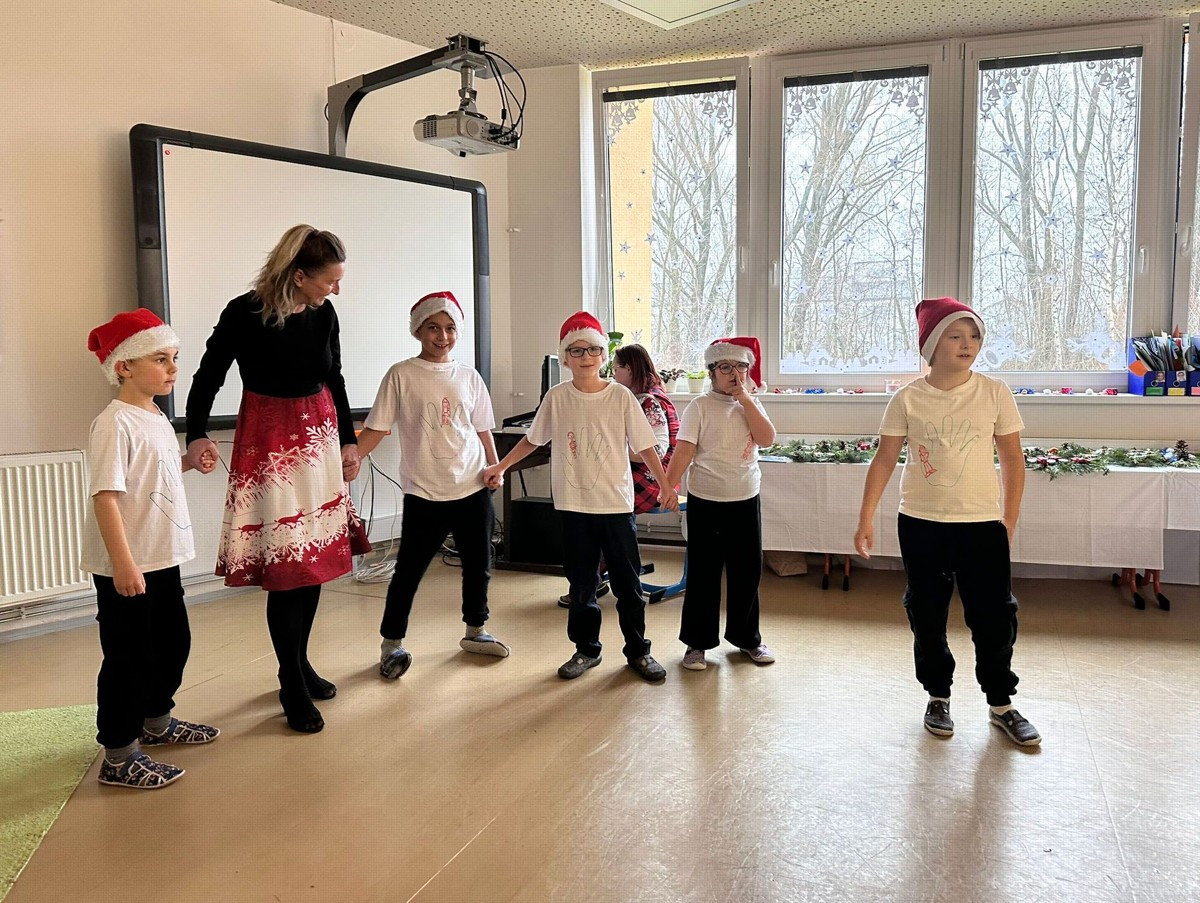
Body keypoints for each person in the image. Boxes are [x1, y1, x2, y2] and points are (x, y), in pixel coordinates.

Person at [184, 225, 370, 735]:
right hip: (270, 446)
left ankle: (300, 662)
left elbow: (335, 377)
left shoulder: (324, 314)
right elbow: (208, 375)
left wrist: (348, 440)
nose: (336, 290)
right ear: (299, 275)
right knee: (288, 566)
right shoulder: (243, 312)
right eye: (330, 281)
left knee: (311, 563)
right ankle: (290, 679)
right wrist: (195, 433)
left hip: (318, 439)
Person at [853, 297, 1039, 747]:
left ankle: (1001, 703)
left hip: (982, 524)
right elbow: (884, 460)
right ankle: (938, 695)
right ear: (931, 345)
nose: (967, 343)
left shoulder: (995, 392)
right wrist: (865, 518)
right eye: (955, 335)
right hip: (922, 524)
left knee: (994, 615)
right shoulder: (907, 398)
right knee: (927, 613)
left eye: (974, 335)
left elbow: (1013, 459)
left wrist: (1008, 520)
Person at [484, 312, 679, 682]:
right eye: (576, 350)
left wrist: (666, 484)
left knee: (627, 584)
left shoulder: (621, 396)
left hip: (615, 505)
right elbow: (533, 439)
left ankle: (639, 651)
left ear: (603, 355)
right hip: (574, 507)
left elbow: (646, 446)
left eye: (592, 349)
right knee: (581, 585)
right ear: (566, 357)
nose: (586, 356)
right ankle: (586, 650)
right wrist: (502, 465)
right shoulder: (557, 398)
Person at [81, 309, 220, 788]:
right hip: (129, 564)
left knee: (171, 644)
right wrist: (123, 565)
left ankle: (156, 723)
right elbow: (106, 497)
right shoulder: (113, 423)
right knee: (129, 658)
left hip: (162, 557)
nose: (173, 368)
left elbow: (149, 474)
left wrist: (188, 462)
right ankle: (119, 755)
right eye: (160, 359)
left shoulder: (155, 416)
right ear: (124, 366)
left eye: (174, 357)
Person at [356, 291, 509, 679]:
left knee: (478, 565)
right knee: (409, 571)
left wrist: (494, 466)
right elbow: (377, 427)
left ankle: (476, 630)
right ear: (418, 331)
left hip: (472, 485)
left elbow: (482, 428)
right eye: (433, 328)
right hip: (423, 490)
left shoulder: (469, 376)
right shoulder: (401, 374)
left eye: (450, 328)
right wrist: (351, 458)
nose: (443, 336)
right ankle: (391, 643)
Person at [663, 337, 777, 672]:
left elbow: (767, 439)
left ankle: (747, 638)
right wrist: (668, 485)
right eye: (725, 367)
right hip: (706, 500)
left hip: (745, 498)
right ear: (712, 373)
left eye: (741, 367)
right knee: (704, 574)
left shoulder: (751, 403)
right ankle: (697, 644)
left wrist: (745, 399)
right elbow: (684, 450)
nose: (734, 374)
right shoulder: (699, 406)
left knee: (747, 572)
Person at [555, 342, 679, 608]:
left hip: (653, 480)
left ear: (630, 369)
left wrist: (614, 447)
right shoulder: (638, 395)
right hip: (646, 474)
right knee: (594, 488)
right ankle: (593, 578)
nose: (613, 374)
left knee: (599, 494)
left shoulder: (648, 401)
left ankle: (596, 577)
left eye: (617, 368)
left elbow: (657, 450)